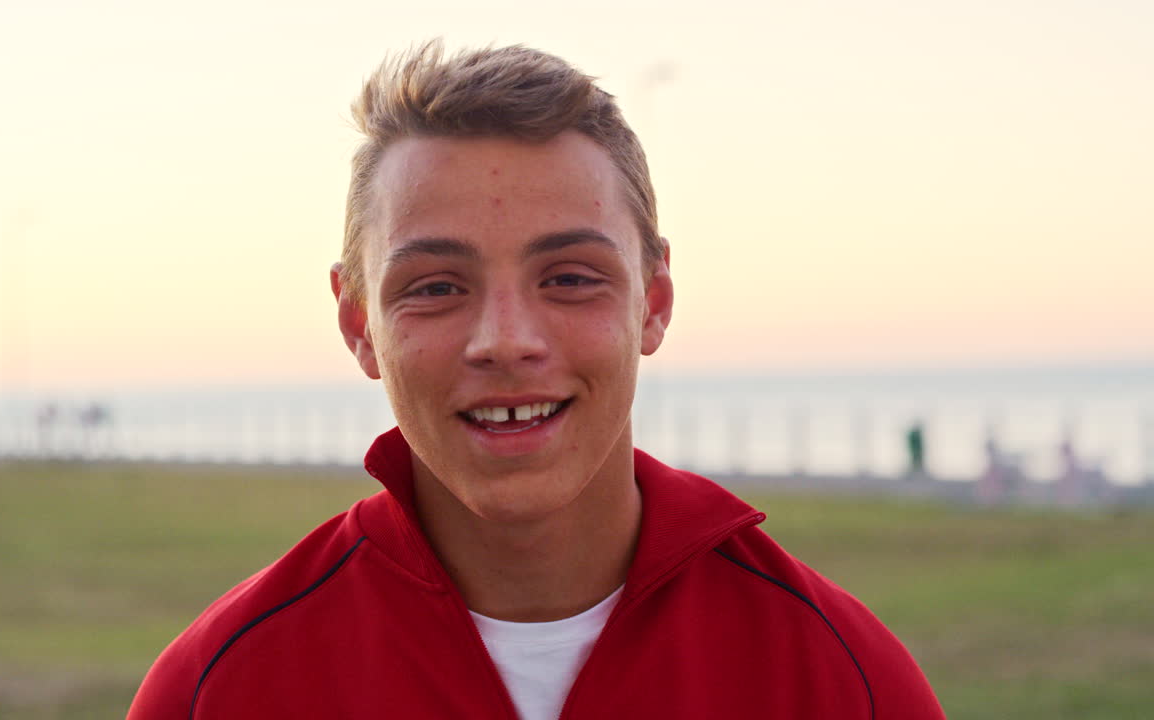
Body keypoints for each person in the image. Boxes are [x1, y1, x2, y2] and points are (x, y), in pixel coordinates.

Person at [128, 41, 945, 719]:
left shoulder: (844, 682)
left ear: (653, 302)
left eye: (570, 278)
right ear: (357, 324)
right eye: (437, 287)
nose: (505, 341)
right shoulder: (219, 689)